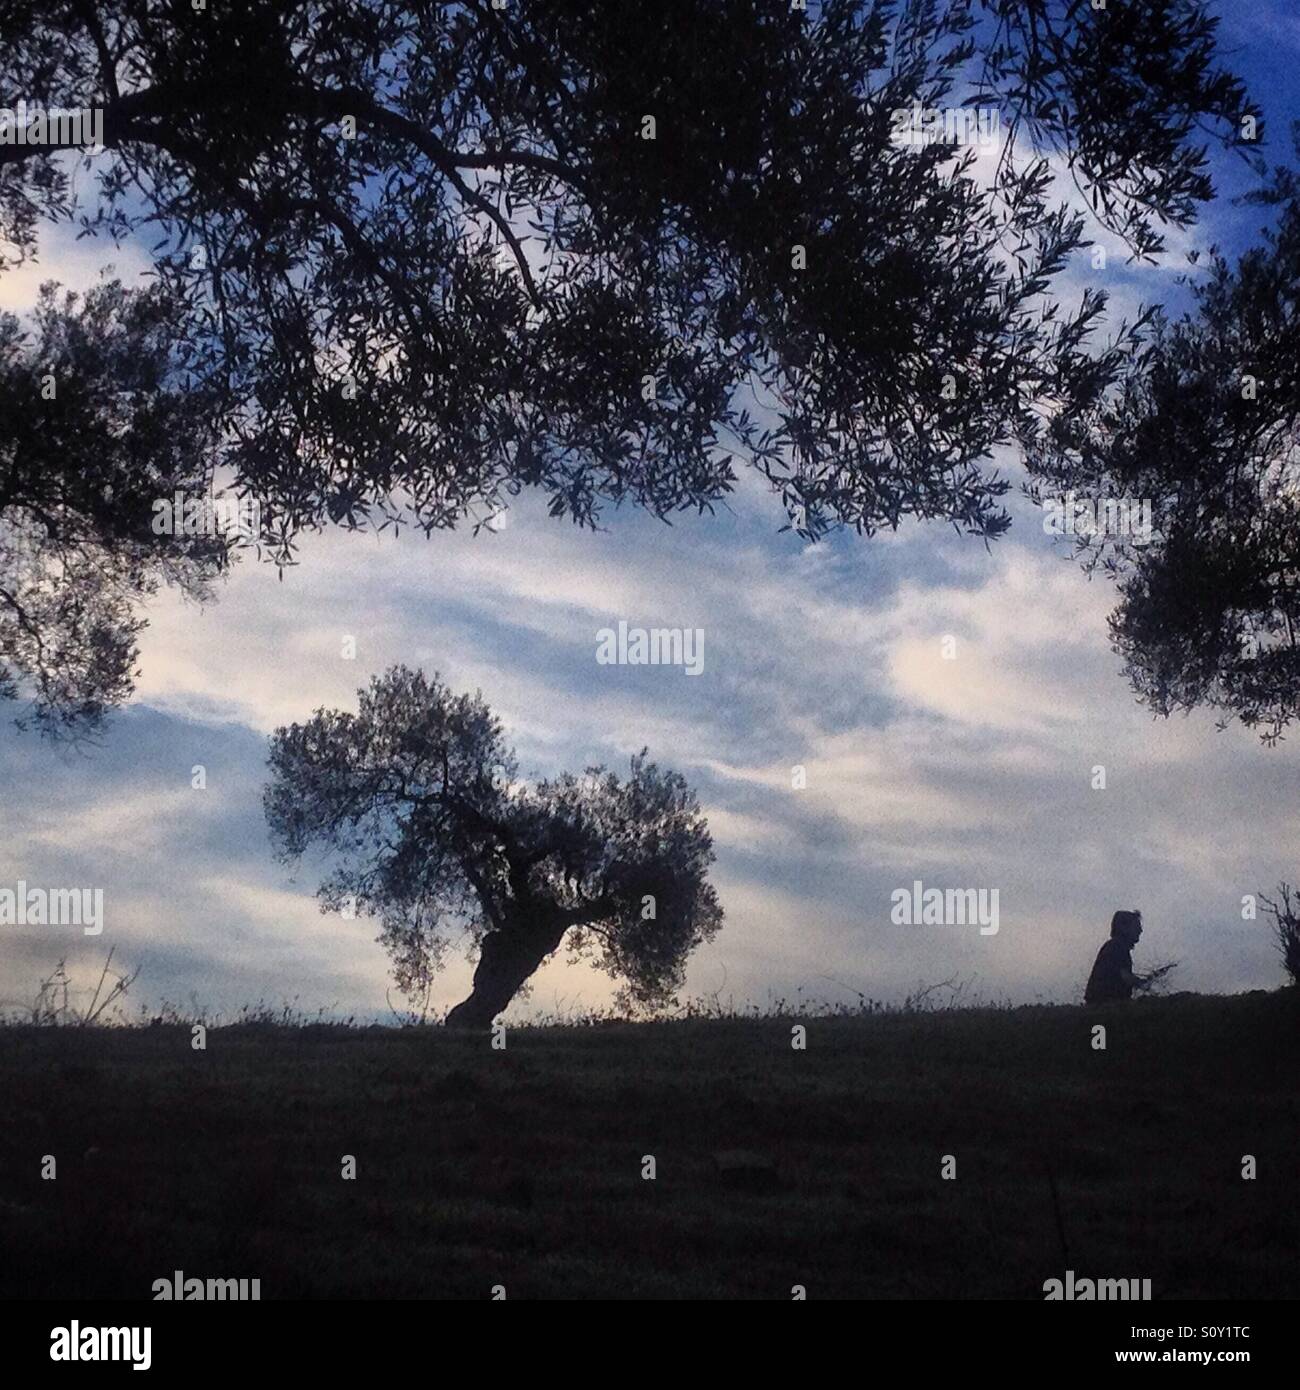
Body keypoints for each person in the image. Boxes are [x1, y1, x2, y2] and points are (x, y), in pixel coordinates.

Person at [1084, 909, 1145, 1004]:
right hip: (1104, 1006)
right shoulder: (1117, 947)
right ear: (1124, 928)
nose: (1140, 930)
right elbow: (1125, 977)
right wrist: (1141, 983)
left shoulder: (1114, 946)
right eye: (1136, 927)